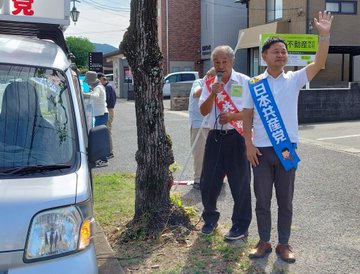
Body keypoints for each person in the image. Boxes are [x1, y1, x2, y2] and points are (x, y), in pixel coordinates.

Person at [242, 11, 333, 263]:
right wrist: (247, 143)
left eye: (283, 51)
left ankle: (283, 243)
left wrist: (324, 36)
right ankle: (263, 241)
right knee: (262, 199)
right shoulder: (255, 84)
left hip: (286, 149)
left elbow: (318, 63)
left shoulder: (294, 79)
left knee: (286, 201)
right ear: (264, 56)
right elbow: (247, 115)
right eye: (275, 51)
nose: (280, 54)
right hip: (260, 150)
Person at [199, 45, 252, 240]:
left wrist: (232, 116)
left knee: (240, 183)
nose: (221, 66)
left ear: (232, 62)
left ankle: (240, 225)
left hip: (238, 137)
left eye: (225, 62)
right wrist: (213, 93)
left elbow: (252, 112)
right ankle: (210, 219)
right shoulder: (209, 83)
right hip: (214, 136)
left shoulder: (245, 81)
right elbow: (203, 111)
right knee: (208, 182)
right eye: (217, 62)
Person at [188, 67, 216, 190]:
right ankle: (198, 180)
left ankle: (212, 178)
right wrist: (211, 86)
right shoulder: (198, 82)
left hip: (212, 124)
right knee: (199, 153)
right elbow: (196, 93)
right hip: (198, 124)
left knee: (213, 153)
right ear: (208, 76)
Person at [83, 71, 109, 167]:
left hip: (101, 114)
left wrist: (84, 94)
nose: (88, 83)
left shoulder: (98, 88)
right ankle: (102, 158)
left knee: (99, 138)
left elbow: (95, 96)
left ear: (92, 81)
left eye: (89, 82)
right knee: (100, 137)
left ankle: (103, 160)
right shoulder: (99, 87)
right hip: (101, 114)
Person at [98, 72, 117, 159]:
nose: (98, 82)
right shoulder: (108, 86)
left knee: (107, 131)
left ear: (102, 78)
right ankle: (108, 151)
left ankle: (110, 151)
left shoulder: (107, 87)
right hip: (110, 110)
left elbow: (107, 100)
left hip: (108, 110)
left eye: (99, 80)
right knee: (107, 130)